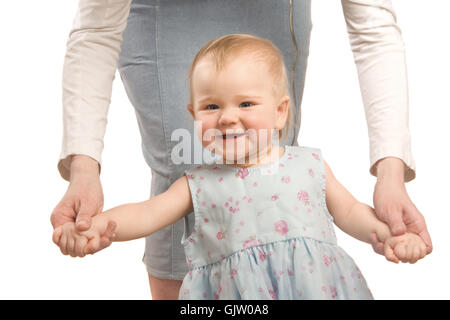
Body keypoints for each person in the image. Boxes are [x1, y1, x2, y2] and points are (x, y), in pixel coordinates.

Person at [51, 0, 432, 299]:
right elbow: (148, 214)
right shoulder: (195, 184)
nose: (228, 119)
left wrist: (390, 232)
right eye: (212, 107)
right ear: (194, 113)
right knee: (173, 159)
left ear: (282, 111)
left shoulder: (309, 165)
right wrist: (96, 225)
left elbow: (350, 213)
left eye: (246, 105)